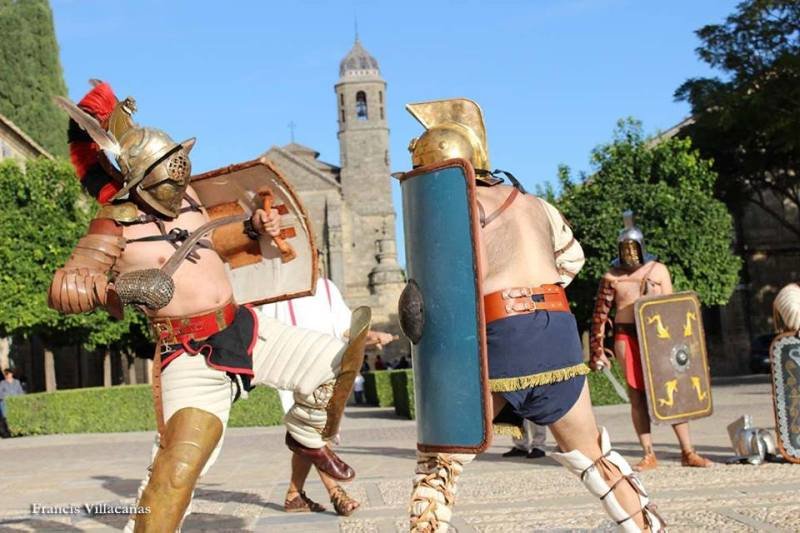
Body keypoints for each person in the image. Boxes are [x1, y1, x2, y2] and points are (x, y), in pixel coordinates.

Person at [49, 82, 368, 532]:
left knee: (338, 362)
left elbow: (214, 241)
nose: (179, 186)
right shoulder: (111, 225)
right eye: (168, 178)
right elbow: (65, 289)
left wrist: (255, 227)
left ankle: (306, 435)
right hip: (189, 353)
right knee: (178, 471)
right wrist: (118, 291)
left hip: (245, 329)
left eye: (181, 173)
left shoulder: (191, 197)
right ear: (140, 180)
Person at [404, 99, 664, 532]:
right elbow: (572, 262)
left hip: (504, 334)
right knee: (593, 456)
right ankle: (649, 527)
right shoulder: (535, 203)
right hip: (556, 331)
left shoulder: (452, 207)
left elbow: (439, 292)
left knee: (440, 462)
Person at [258, 276, 395, 515]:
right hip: (294, 370)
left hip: (330, 371)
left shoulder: (326, 287)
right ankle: (336, 493)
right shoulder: (279, 284)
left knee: (308, 437)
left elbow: (344, 327)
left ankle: (294, 495)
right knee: (314, 433)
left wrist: (369, 335)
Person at [590, 213, 713, 472]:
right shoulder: (612, 276)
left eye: (633, 247)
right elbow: (601, 315)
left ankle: (687, 451)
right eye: (625, 248)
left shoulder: (658, 270)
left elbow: (674, 310)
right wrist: (597, 351)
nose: (630, 253)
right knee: (636, 394)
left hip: (660, 337)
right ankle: (648, 454)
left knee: (673, 390)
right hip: (626, 336)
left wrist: (650, 297)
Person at [0, 369, 24, 438]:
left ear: (11, 374)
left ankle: (18, 431)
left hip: (16, 402)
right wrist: (5, 397)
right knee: (6, 418)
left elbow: (20, 392)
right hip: (5, 402)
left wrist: (20, 399)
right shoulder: (2, 383)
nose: (7, 376)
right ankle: (7, 433)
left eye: (8, 374)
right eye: (5, 374)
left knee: (17, 416)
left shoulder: (17, 382)